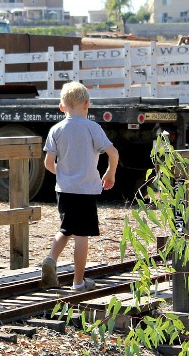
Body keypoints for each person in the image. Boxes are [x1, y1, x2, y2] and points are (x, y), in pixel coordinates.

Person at [41, 81, 119, 291]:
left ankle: (51, 258)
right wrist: (109, 172)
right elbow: (113, 153)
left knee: (66, 229)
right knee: (81, 235)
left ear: (61, 106)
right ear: (87, 104)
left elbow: (48, 164)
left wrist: (63, 173)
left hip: (64, 190)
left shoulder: (56, 130)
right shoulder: (92, 128)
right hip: (85, 190)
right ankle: (78, 282)